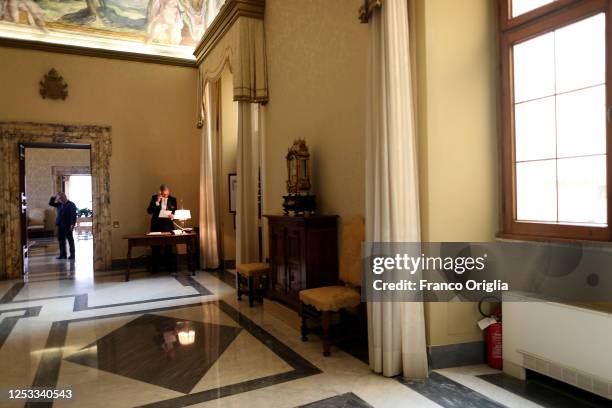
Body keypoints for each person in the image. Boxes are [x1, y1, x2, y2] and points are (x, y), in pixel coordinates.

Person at [147, 184, 177, 272]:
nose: (165, 196)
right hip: (156, 226)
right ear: (160, 192)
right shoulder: (154, 198)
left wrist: (173, 216)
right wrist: (157, 202)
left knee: (169, 246)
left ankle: (169, 267)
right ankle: (155, 268)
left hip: (168, 226)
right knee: (155, 247)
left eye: (167, 194)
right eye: (164, 194)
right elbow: (149, 211)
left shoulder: (173, 199)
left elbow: (175, 212)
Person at [48, 192, 77, 260]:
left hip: (68, 225)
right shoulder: (59, 204)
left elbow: (73, 215)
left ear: (64, 197)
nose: (58, 200)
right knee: (61, 241)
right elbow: (50, 203)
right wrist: (53, 197)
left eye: (60, 199)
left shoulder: (71, 205)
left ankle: (72, 255)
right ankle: (62, 255)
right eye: (58, 199)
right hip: (60, 225)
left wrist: (72, 224)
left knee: (70, 240)